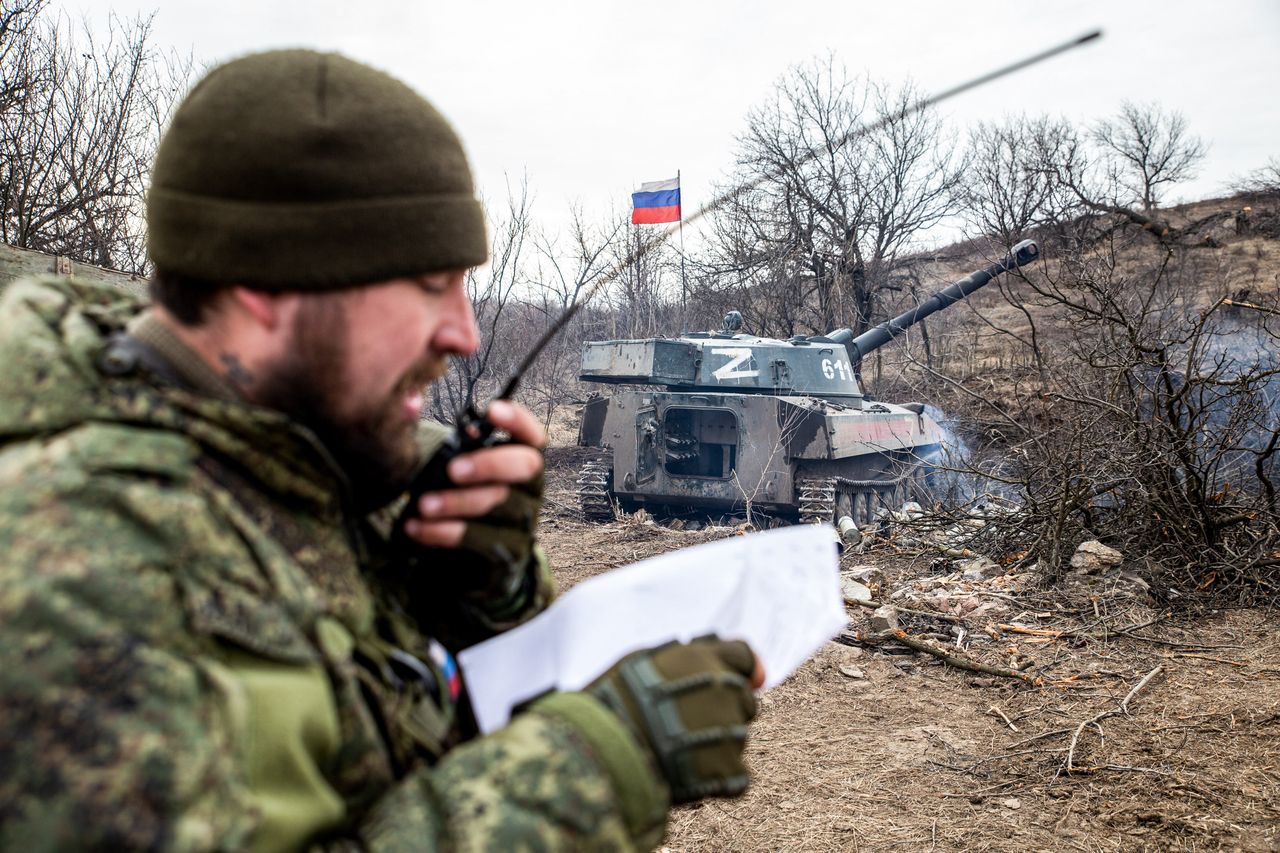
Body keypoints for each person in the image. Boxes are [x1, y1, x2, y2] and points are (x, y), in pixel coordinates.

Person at [0, 49, 759, 850]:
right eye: (429, 284)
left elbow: (374, 754)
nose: (464, 335)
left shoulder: (305, 460)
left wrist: (475, 599)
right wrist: (590, 767)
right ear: (265, 282)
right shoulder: (74, 572)